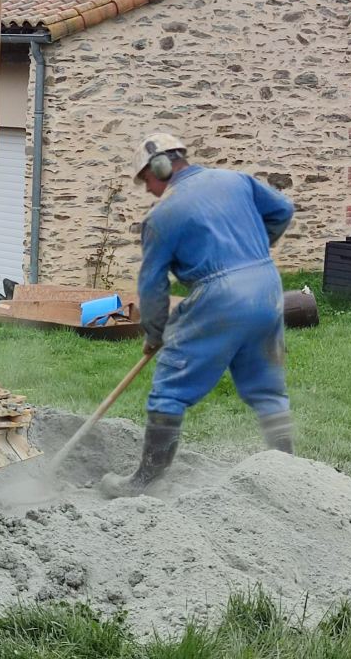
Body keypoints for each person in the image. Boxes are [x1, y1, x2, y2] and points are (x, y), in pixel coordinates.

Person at [100, 133, 297, 498]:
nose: (149, 191)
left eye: (147, 181)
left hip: (220, 294)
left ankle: (146, 480)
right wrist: (253, 249)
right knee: (267, 387)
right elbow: (283, 211)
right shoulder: (235, 180)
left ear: (159, 166)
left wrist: (155, 333)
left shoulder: (162, 216)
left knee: (170, 387)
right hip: (267, 285)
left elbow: (153, 285)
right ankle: (287, 471)